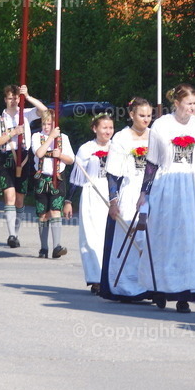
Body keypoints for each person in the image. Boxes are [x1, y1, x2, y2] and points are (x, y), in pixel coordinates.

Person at [136, 83, 195, 313]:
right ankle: (160, 288)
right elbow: (152, 162)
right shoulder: (161, 125)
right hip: (167, 184)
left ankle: (184, 294)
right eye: (188, 103)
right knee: (165, 236)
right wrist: (144, 191)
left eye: (194, 103)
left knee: (189, 238)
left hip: (192, 185)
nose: (192, 107)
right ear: (177, 103)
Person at [100, 97, 153, 302]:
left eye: (149, 115)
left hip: (152, 191)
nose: (146, 119)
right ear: (131, 115)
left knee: (149, 240)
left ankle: (150, 285)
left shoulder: (155, 136)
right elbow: (113, 174)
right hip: (131, 190)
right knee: (128, 238)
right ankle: (126, 286)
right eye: (142, 115)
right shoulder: (121, 138)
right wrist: (113, 201)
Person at [0, 85, 48, 248]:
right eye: (10, 98)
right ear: (5, 100)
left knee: (20, 199)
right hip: (6, 158)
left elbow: (45, 112)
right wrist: (13, 133)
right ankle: (11, 235)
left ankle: (17, 231)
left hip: (23, 158)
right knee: (10, 197)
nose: (13, 101)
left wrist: (28, 96)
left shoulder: (26, 114)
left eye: (16, 98)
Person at [72, 113, 115, 293]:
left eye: (111, 127)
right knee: (92, 237)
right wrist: (68, 200)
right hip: (92, 193)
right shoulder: (86, 149)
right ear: (94, 128)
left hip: (113, 194)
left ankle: (111, 277)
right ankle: (95, 278)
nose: (108, 131)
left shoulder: (117, 147)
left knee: (110, 237)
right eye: (104, 127)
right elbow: (76, 177)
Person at [30, 108, 75, 258]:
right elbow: (39, 153)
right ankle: (43, 248)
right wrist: (50, 138)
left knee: (56, 211)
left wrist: (60, 154)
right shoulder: (37, 136)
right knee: (43, 214)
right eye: (44, 123)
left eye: (49, 124)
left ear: (54, 123)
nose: (46, 126)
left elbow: (71, 160)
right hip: (41, 179)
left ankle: (57, 246)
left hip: (57, 179)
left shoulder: (64, 138)